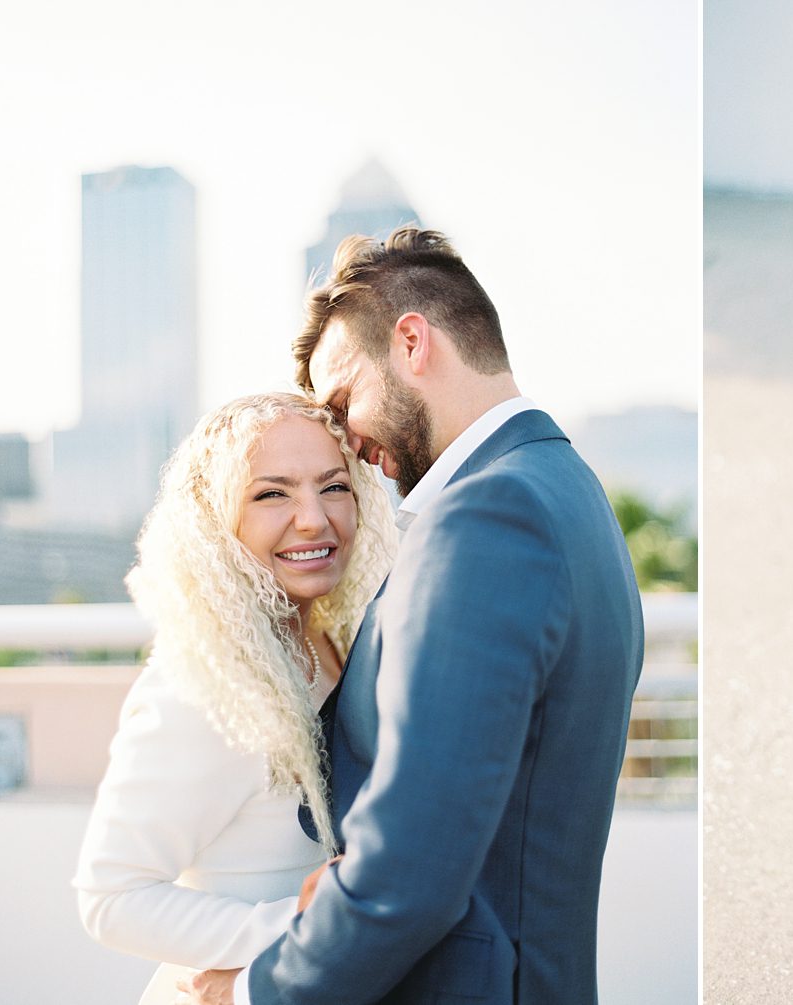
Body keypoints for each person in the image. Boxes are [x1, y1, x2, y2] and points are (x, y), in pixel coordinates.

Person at [182, 227, 645, 1005]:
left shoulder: (488, 517)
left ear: (411, 341)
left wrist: (257, 991)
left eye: (342, 399)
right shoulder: (569, 488)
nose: (351, 442)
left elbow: (415, 860)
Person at [72, 392, 397, 1005]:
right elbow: (110, 896)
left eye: (334, 487)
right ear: (215, 518)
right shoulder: (199, 684)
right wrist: (304, 936)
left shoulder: (332, 642)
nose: (312, 519)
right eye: (272, 493)